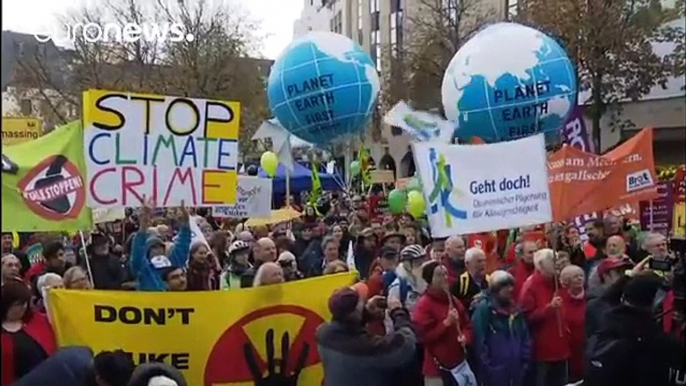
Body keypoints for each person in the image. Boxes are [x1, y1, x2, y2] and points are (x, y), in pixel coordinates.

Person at [584, 274, 685, 386]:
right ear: (655, 301)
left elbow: (605, 299)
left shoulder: (606, 319)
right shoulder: (652, 338)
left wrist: (627, 276)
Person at [316, 286, 416, 386]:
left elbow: (348, 324)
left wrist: (366, 313)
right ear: (356, 311)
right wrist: (398, 312)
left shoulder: (324, 334)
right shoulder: (363, 347)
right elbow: (405, 345)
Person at [413, 261, 475, 386]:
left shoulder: (453, 300)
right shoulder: (424, 305)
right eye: (439, 275)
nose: (445, 278)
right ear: (430, 279)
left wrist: (465, 337)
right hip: (437, 369)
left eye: (446, 274)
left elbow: (467, 324)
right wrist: (446, 324)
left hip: (459, 364)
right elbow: (423, 337)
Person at [518, 248, 569, 386]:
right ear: (540, 265)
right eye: (553, 260)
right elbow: (526, 318)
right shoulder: (530, 286)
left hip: (562, 347)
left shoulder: (559, 282)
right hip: (542, 351)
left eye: (557, 259)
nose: (557, 263)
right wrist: (549, 308)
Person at [471, 270, 531, 386]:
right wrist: (489, 367)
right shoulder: (484, 309)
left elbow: (525, 335)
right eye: (505, 286)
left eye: (511, 286)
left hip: (516, 369)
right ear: (495, 289)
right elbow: (479, 340)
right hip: (495, 372)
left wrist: (525, 361)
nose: (510, 289)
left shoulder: (515, 310)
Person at [1, 279, 57, 385]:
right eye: (18, 304)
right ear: (6, 304)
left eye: (25, 303)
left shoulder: (38, 321)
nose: (23, 307)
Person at [130, 199, 191, 291]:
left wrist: (186, 223)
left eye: (160, 247)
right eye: (153, 248)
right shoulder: (145, 270)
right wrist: (143, 226)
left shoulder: (173, 263)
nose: (157, 250)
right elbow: (137, 254)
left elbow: (183, 245)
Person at [585, 257, 636, 338]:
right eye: (618, 272)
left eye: (625, 271)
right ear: (605, 276)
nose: (623, 276)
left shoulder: (632, 300)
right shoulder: (596, 305)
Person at [558, 265, 586, 382]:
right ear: (566, 281)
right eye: (575, 277)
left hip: (586, 347)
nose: (579, 279)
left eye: (581, 276)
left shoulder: (591, 299)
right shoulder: (559, 299)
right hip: (567, 350)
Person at [388, 244, 428, 313]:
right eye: (418, 263)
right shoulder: (398, 287)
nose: (422, 266)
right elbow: (391, 315)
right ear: (407, 265)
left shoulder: (427, 281)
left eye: (424, 261)